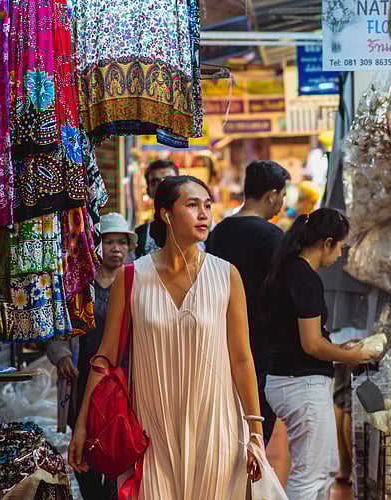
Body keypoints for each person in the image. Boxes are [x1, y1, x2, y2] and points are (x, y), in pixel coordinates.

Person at [69, 176, 265, 499]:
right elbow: (105, 358)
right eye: (192, 205)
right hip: (150, 432)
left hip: (216, 427)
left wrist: (255, 433)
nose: (203, 214)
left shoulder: (227, 276)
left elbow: (243, 359)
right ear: (165, 215)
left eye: (207, 206)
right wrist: (82, 425)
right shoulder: (132, 277)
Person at [261, 208, 381, 500]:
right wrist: (352, 355)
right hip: (299, 383)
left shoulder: (288, 270)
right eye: (340, 246)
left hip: (290, 380)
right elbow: (312, 344)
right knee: (310, 475)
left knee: (323, 468)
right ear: (326, 242)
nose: (340, 255)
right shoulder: (303, 277)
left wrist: (341, 350)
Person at [46, 212, 136, 499]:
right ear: (97, 245)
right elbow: (60, 329)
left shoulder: (136, 285)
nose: (116, 249)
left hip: (122, 380)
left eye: (122, 242)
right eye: (109, 242)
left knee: (115, 442)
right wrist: (61, 358)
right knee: (84, 443)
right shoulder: (79, 286)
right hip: (83, 379)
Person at [206, 159, 290, 445]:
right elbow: (282, 292)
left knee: (227, 424)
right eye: (283, 195)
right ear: (271, 196)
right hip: (260, 345)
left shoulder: (218, 232)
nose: (282, 202)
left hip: (220, 338)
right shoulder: (271, 235)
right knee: (256, 427)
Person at [133, 159, 179, 260]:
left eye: (169, 180)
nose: (162, 185)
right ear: (148, 190)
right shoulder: (139, 235)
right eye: (155, 182)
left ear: (181, 186)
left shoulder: (199, 227)